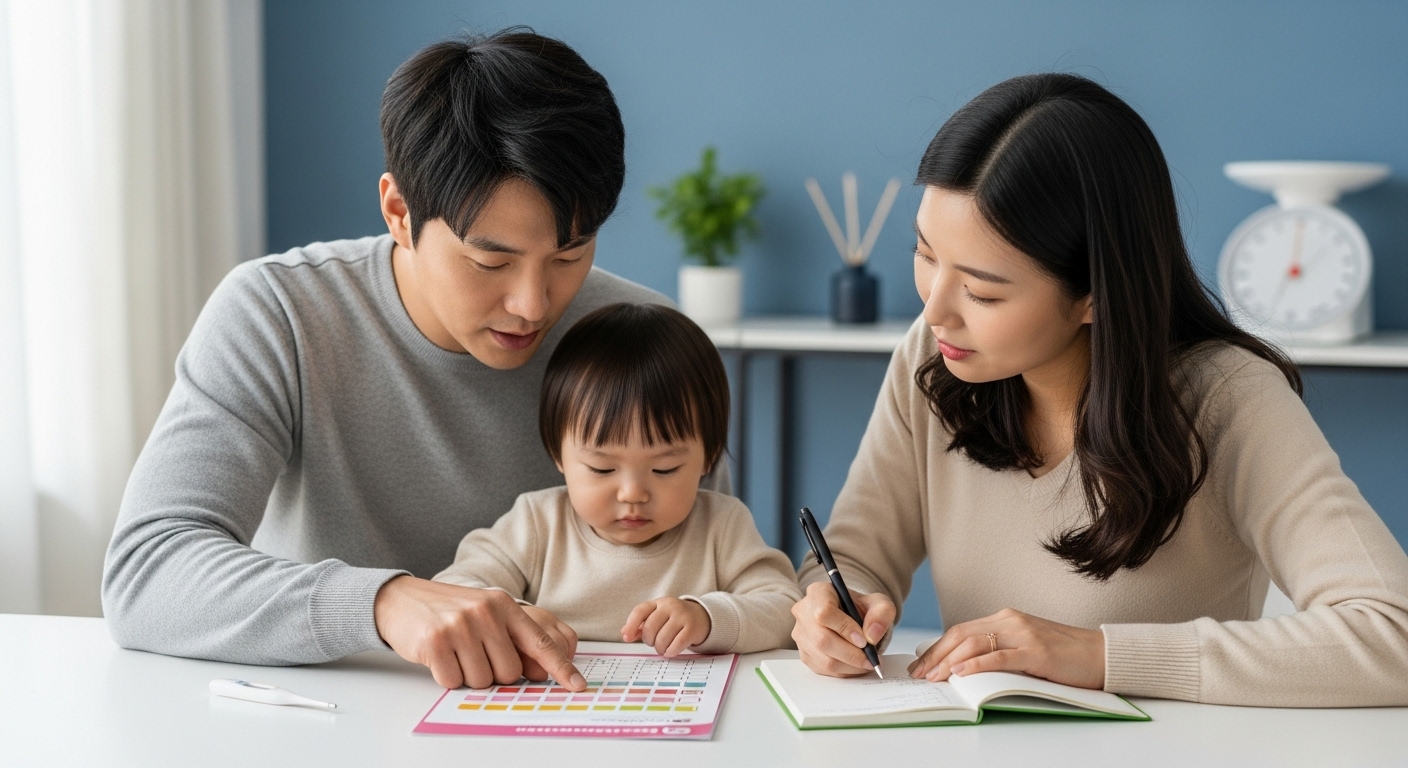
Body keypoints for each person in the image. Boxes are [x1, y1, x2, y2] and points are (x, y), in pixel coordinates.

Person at [102, 30, 727, 692]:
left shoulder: (642, 339)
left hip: (576, 711)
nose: (533, 303)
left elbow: (707, 571)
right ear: (399, 211)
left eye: (570, 255)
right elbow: (148, 572)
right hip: (333, 720)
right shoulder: (278, 315)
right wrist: (386, 603)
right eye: (491, 260)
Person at [790, 73, 1408, 707]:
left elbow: (1394, 634)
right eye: (925, 255)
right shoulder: (935, 356)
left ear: (1093, 294)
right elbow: (851, 560)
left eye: (982, 290)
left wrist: (1100, 655)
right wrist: (831, 611)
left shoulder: (1230, 397)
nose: (937, 308)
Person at [434, 303, 800, 656]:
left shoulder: (722, 525)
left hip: (676, 709)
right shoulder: (537, 523)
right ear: (557, 453)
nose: (633, 493)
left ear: (709, 455)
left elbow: (786, 610)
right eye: (602, 469)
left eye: (664, 469)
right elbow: (451, 591)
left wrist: (708, 618)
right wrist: (510, 616)